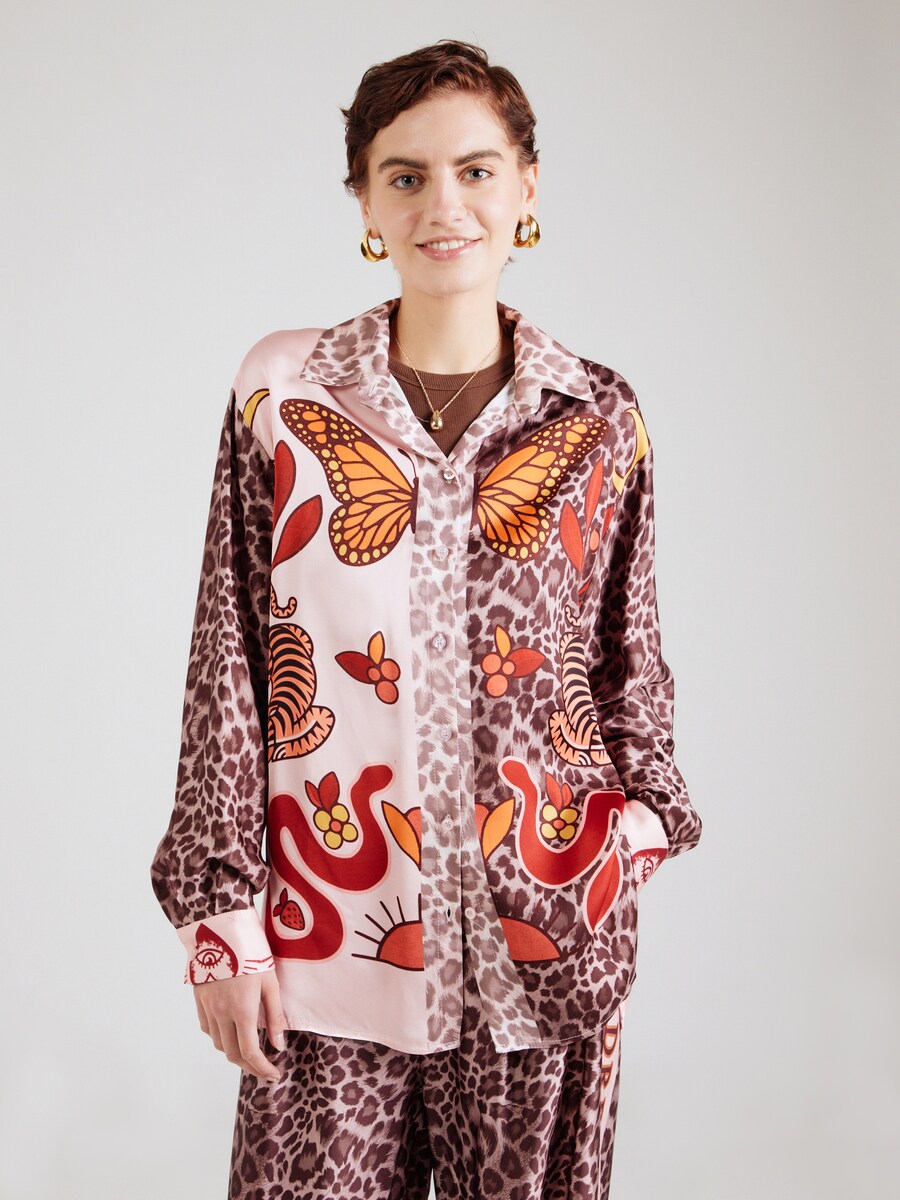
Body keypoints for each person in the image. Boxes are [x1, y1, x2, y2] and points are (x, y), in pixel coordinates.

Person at [150, 37, 702, 1200]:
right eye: (405, 175)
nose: (443, 205)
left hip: (548, 941)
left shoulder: (600, 416)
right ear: (364, 199)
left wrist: (633, 836)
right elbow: (229, 663)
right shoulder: (285, 395)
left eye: (476, 170)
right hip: (327, 942)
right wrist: (221, 919)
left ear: (528, 188)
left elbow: (628, 654)